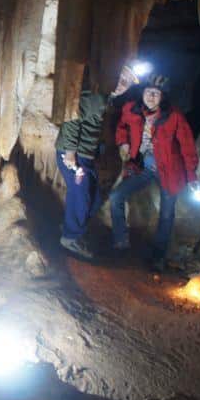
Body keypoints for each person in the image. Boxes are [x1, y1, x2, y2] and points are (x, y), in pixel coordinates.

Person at [110, 75, 199, 272]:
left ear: (162, 97)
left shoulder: (174, 117)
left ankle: (158, 256)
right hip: (141, 167)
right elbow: (122, 127)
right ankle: (120, 241)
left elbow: (187, 146)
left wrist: (191, 176)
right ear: (142, 93)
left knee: (166, 214)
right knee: (116, 196)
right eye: (148, 91)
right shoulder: (131, 109)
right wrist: (123, 142)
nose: (151, 96)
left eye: (156, 93)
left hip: (168, 170)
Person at [54, 66, 138, 259]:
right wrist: (70, 152)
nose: (121, 84)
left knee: (96, 198)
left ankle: (71, 226)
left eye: (126, 83)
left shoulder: (105, 99)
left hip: (86, 157)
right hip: (73, 155)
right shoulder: (96, 97)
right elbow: (73, 118)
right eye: (120, 78)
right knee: (82, 196)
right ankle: (70, 237)